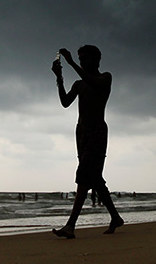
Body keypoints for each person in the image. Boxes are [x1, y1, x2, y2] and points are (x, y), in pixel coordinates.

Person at [51, 46, 124, 239]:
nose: (82, 61)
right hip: (81, 132)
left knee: (84, 174)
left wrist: (71, 63)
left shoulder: (105, 78)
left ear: (97, 60)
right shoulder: (79, 84)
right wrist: (59, 77)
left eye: (85, 58)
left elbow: (93, 81)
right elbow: (65, 102)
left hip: (97, 131)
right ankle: (115, 218)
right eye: (80, 58)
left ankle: (70, 225)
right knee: (95, 178)